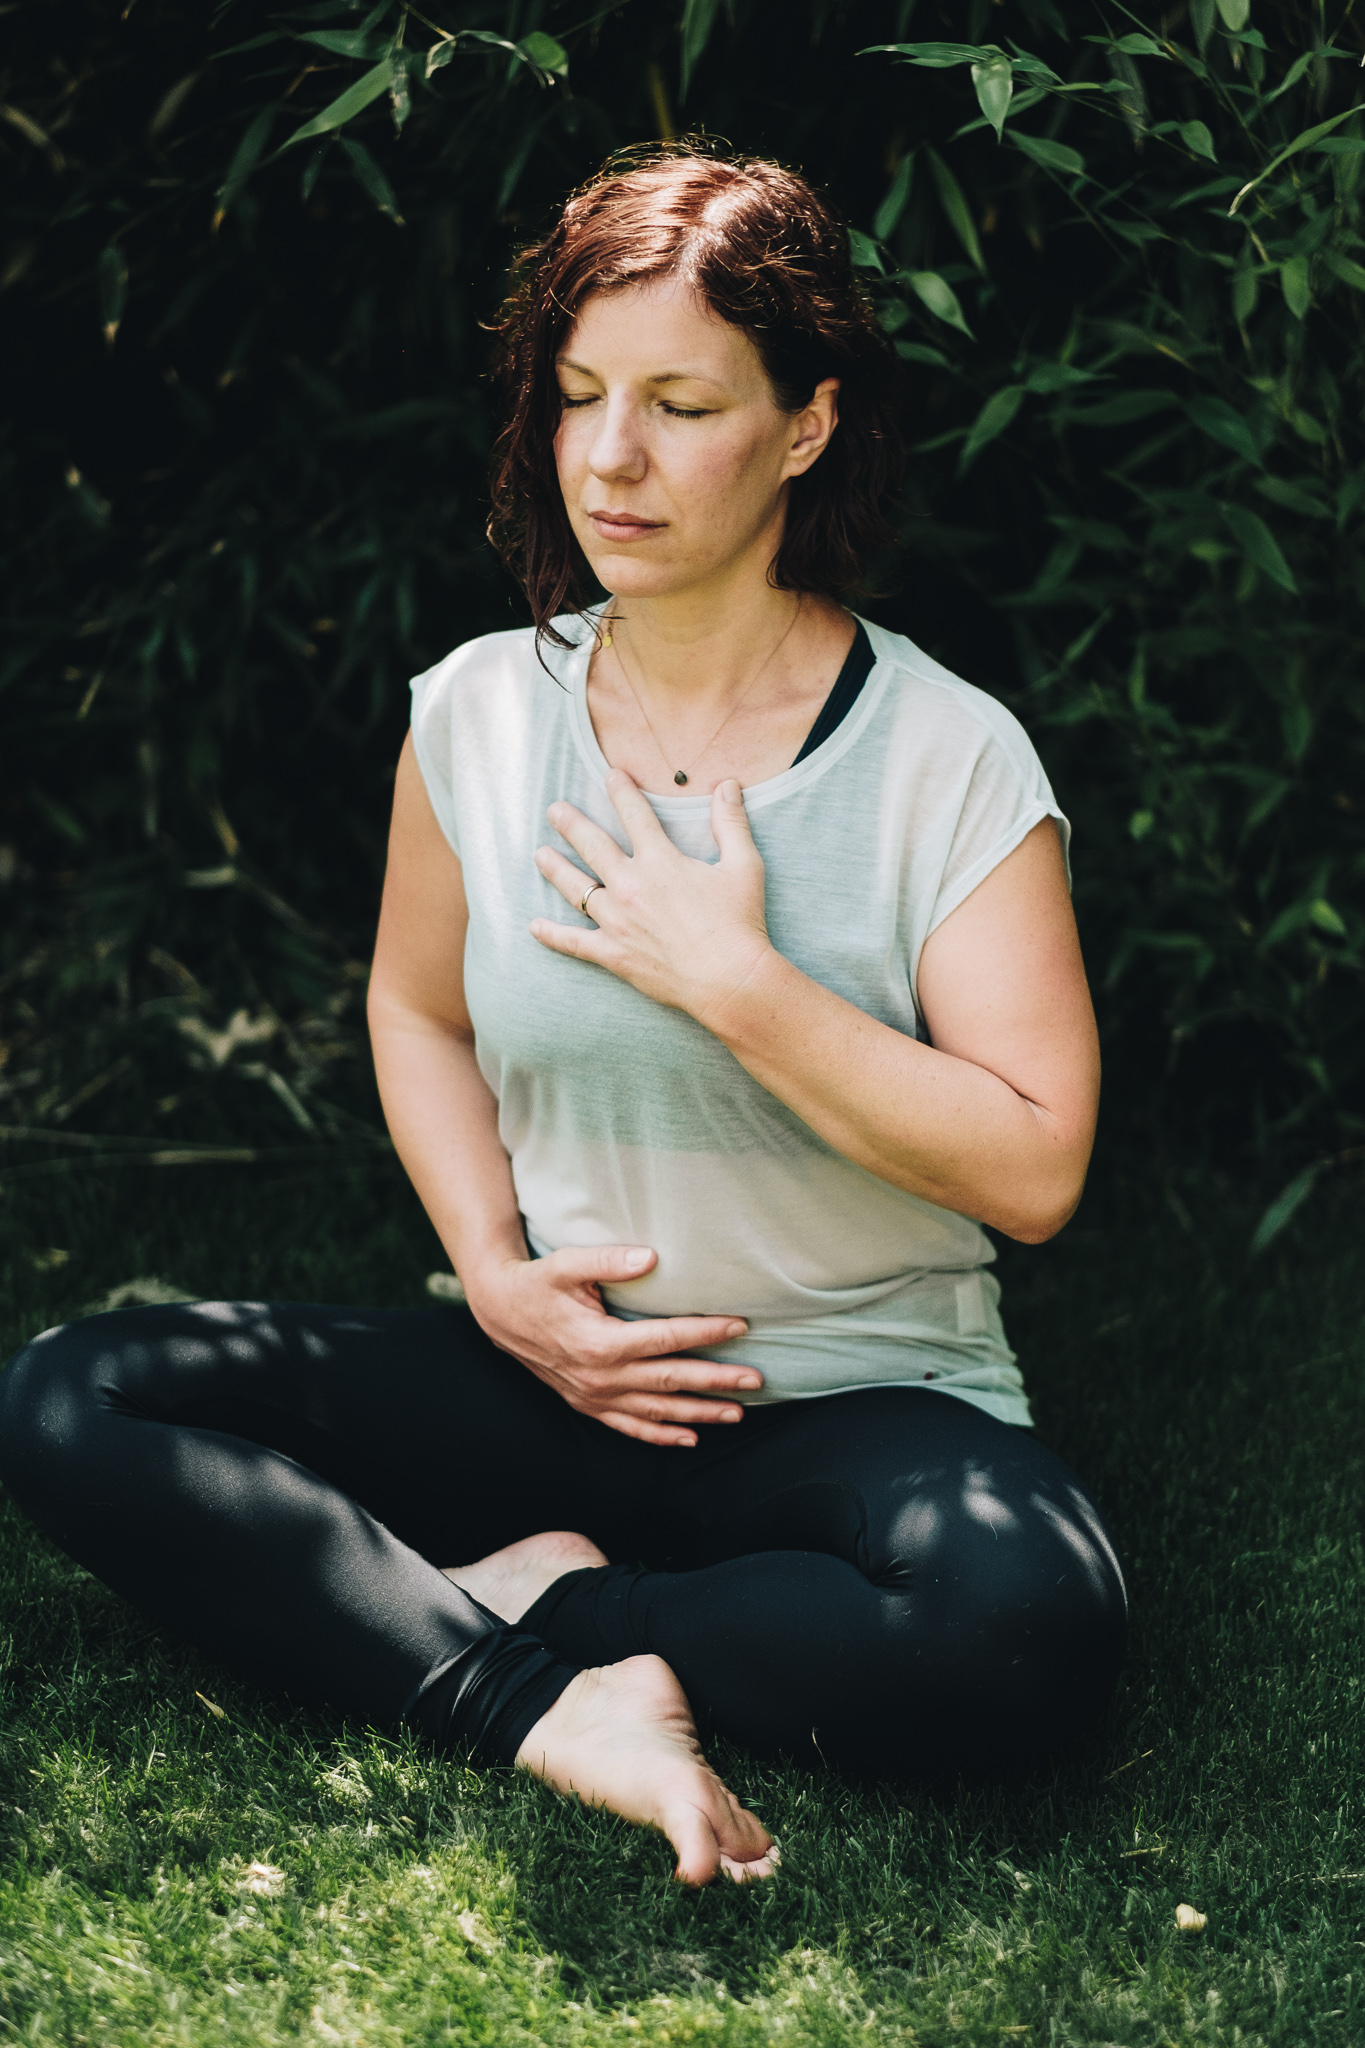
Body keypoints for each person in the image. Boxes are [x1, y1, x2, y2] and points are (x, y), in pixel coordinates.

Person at [0, 145, 1126, 1887]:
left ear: (806, 425)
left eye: (681, 404)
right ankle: (539, 1701)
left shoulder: (945, 758)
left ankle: (558, 1602)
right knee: (78, 1398)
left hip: (849, 1394)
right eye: (579, 394)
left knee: (1023, 1627)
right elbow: (415, 1009)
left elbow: (1036, 1167)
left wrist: (738, 985)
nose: (609, 456)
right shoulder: (475, 713)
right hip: (557, 1375)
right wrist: (499, 1276)